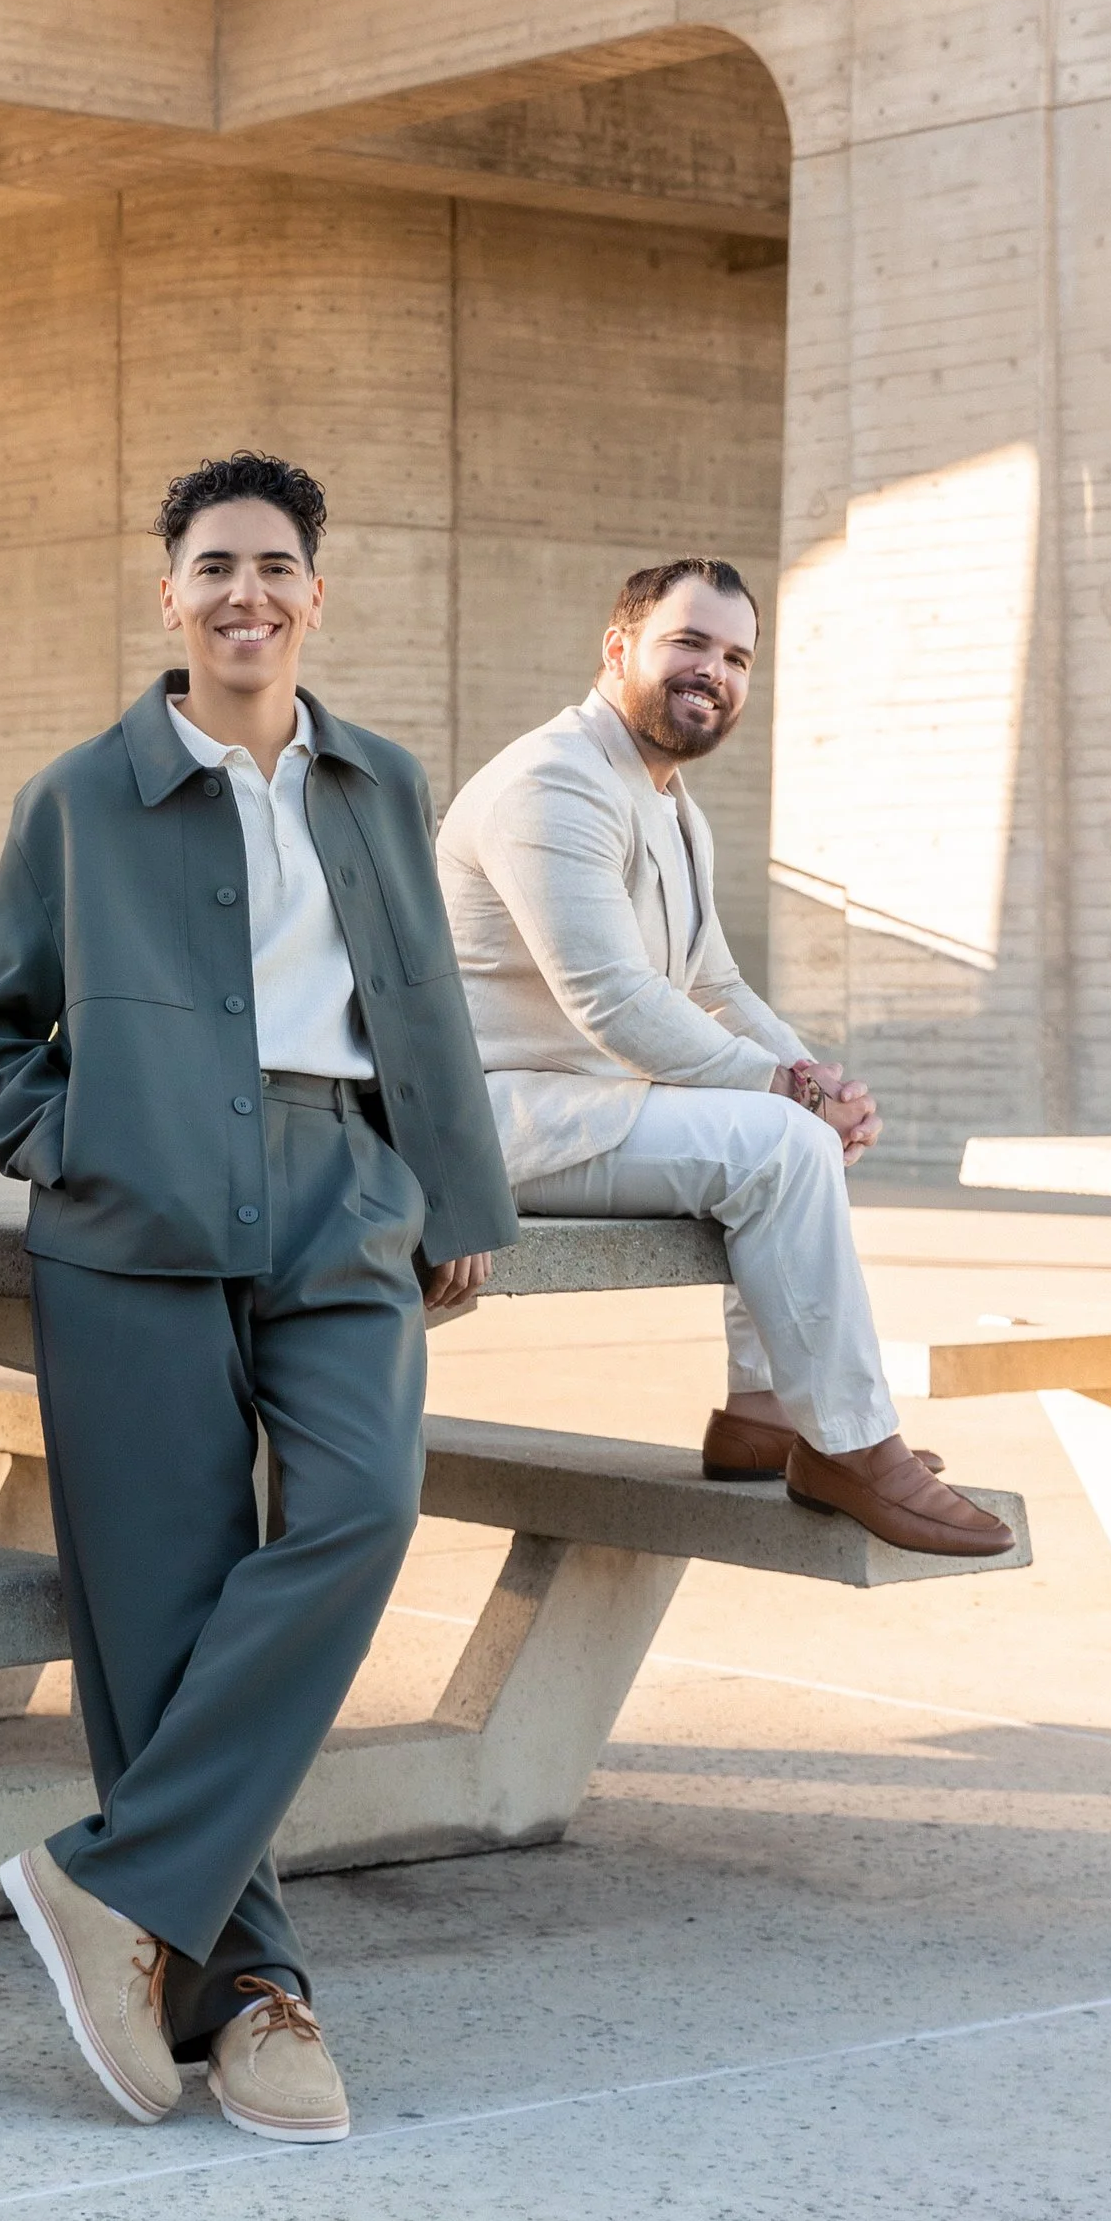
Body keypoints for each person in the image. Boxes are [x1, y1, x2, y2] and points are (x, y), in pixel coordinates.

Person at [0, 451, 512, 2144]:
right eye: (214, 567)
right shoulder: (77, 796)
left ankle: (111, 1883)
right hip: (135, 1211)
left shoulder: (381, 778)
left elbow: (422, 994)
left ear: (314, 595)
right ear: (170, 594)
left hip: (346, 1190)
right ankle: (251, 1987)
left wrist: (453, 1189)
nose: (245, 593)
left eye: (274, 566)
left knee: (360, 1509)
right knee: (161, 1610)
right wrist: (83, 1144)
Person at [435, 556, 1009, 1559]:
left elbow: (716, 985)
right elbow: (613, 999)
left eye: (737, 657)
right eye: (688, 643)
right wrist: (788, 1098)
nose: (715, 671)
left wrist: (816, 1080)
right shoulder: (553, 781)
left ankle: (768, 1415)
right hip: (499, 1123)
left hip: (592, 1108)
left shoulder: (669, 803)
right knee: (779, 1146)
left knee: (792, 1130)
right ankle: (853, 1445)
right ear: (618, 649)